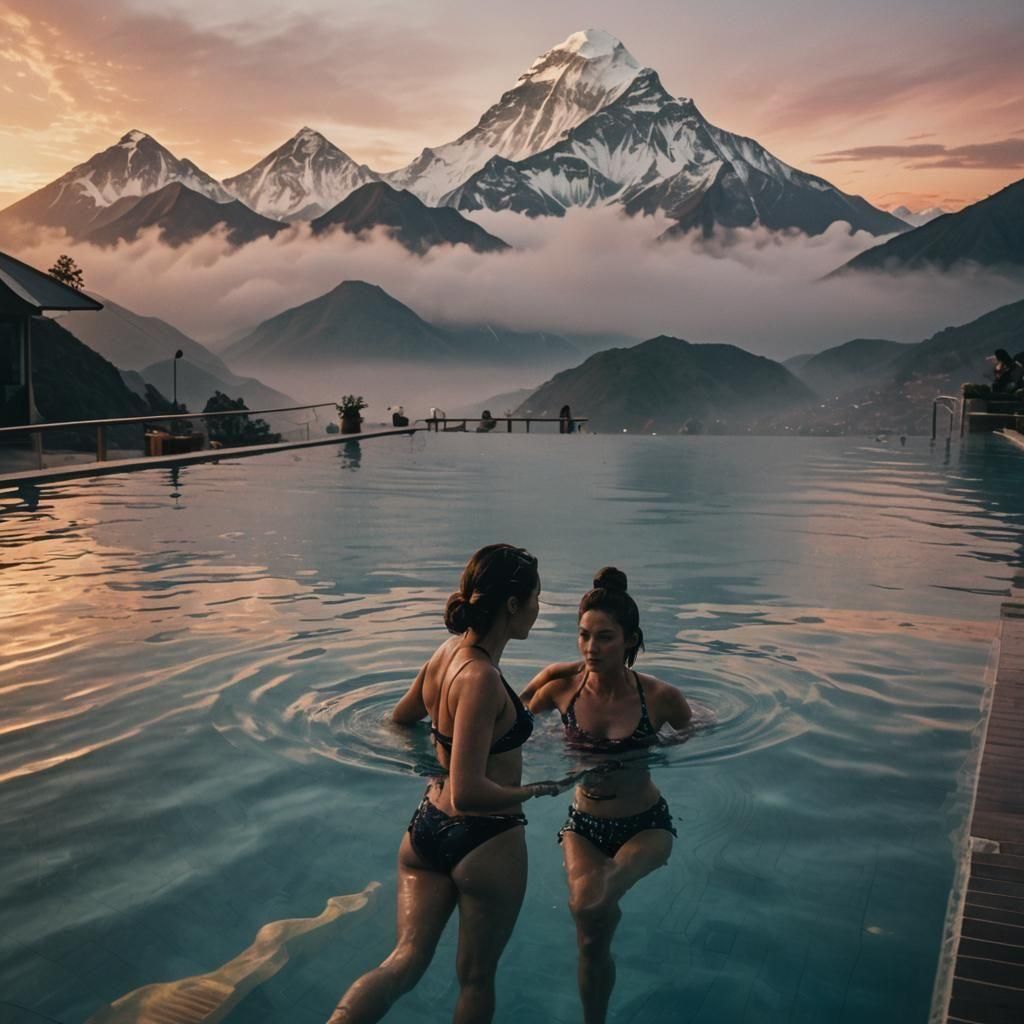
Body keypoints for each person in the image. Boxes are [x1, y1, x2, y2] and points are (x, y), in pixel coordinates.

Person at [327, 544, 563, 1024]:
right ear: (513, 605)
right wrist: (539, 790)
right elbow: (469, 792)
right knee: (476, 979)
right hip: (486, 838)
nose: (540, 609)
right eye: (537, 598)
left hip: (425, 829)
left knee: (402, 963)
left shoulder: (445, 654)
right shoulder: (481, 678)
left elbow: (400, 719)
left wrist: (432, 762)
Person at [522, 568, 692, 1024]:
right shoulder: (561, 690)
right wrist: (545, 674)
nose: (591, 648)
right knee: (589, 926)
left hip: (646, 824)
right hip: (585, 825)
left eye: (605, 637)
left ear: (630, 640)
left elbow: (695, 732)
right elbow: (507, 725)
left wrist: (659, 749)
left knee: (592, 904)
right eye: (583, 636)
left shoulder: (660, 698)